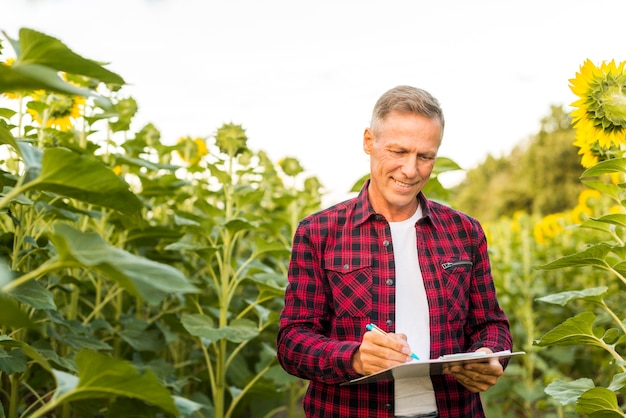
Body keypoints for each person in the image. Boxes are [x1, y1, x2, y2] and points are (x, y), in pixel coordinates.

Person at [276, 85, 512, 418]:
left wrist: (489, 355)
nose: (411, 170)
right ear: (369, 142)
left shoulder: (465, 232)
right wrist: (355, 357)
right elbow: (292, 342)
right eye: (398, 151)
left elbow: (491, 324)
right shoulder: (318, 232)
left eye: (425, 156)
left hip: (452, 410)